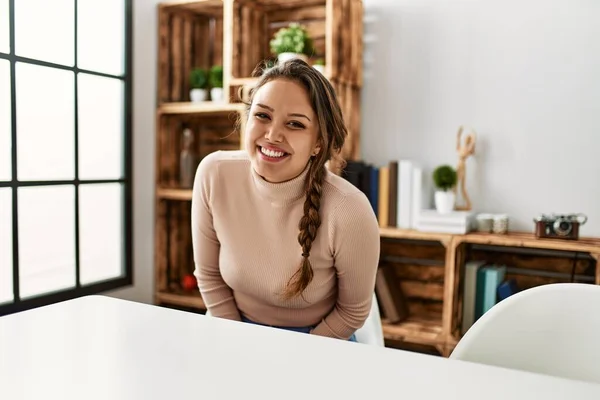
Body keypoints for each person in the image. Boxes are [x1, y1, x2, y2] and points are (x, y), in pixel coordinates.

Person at [190, 59, 380, 342]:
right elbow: (208, 276)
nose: (272, 135)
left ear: (318, 143)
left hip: (318, 340)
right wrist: (236, 341)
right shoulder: (214, 174)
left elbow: (352, 311)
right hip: (231, 327)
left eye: (294, 124)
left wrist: (297, 358)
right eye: (262, 116)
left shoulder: (349, 209)